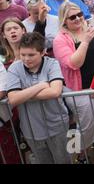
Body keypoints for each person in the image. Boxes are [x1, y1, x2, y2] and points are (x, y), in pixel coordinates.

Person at [53, 2, 94, 163]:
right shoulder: (60, 39)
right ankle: (78, 155)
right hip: (80, 90)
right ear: (64, 20)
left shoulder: (91, 28)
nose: (78, 18)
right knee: (83, 125)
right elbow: (74, 63)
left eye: (80, 14)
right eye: (73, 17)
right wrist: (85, 41)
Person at [6, 32, 71, 164]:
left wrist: (23, 94)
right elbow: (13, 99)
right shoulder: (14, 68)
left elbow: (55, 91)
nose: (26, 59)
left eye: (31, 55)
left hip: (58, 127)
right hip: (31, 130)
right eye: (23, 54)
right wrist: (41, 86)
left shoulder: (52, 64)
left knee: (64, 161)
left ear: (42, 52)